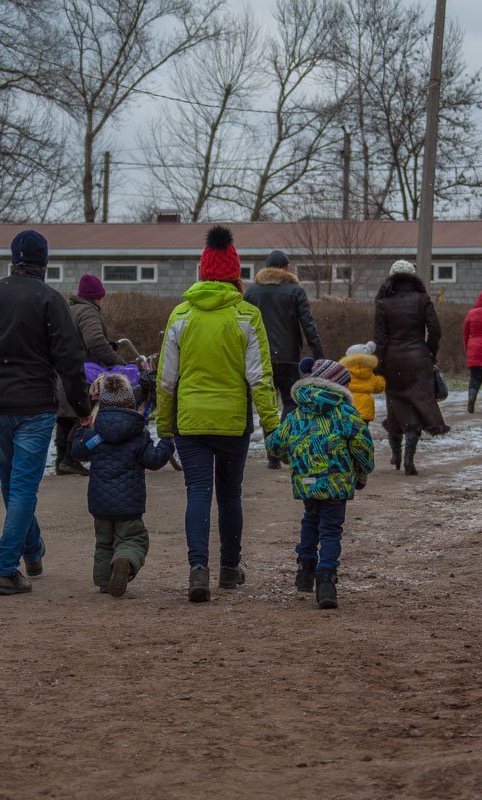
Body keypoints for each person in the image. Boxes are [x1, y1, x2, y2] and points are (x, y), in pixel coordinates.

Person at [0, 230, 91, 597]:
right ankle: (5, 568)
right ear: (44, 264)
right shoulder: (50, 300)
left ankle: (32, 551)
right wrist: (82, 408)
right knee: (23, 489)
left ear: (13, 260)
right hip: (34, 407)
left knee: (12, 485)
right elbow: (70, 359)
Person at [157, 226, 279, 603]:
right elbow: (260, 378)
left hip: (190, 421)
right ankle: (229, 567)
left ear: (203, 271)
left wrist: (164, 427)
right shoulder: (247, 316)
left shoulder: (180, 315)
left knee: (197, 492)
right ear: (235, 275)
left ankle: (198, 569)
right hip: (232, 422)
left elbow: (166, 380)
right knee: (229, 494)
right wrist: (272, 426)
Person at [266, 358, 374, 610]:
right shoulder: (345, 413)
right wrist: (363, 470)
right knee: (331, 529)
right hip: (337, 481)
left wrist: (288, 455)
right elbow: (362, 445)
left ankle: (305, 569)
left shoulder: (297, 413)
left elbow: (275, 444)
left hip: (307, 480)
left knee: (311, 519)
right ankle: (326, 579)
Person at [71, 373, 174, 597]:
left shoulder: (96, 434)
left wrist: (82, 429)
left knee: (104, 542)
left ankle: (104, 582)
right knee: (134, 539)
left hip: (100, 503)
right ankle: (124, 560)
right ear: (130, 404)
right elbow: (154, 460)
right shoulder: (138, 434)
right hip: (129, 504)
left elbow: (78, 452)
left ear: (102, 404)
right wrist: (167, 442)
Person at [243, 249, 324, 469]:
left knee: (267, 404)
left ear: (267, 267)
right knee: (290, 401)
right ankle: (282, 445)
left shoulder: (252, 292)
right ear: (286, 268)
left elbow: (243, 324)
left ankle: (272, 455)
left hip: (260, 357)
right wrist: (319, 355)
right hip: (288, 357)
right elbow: (308, 324)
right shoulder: (295, 290)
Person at [373, 260, 449, 476]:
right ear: (412, 276)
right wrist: (429, 352)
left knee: (395, 405)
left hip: (392, 360)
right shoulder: (422, 299)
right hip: (419, 360)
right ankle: (408, 458)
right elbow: (435, 330)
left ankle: (396, 454)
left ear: (392, 277)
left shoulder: (383, 302)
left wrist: (378, 363)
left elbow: (379, 338)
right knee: (417, 404)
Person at [54, 274, 123, 476]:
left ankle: (62, 462)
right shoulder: (88, 311)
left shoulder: (71, 309)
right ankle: (70, 459)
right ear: (97, 297)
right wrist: (116, 361)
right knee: (83, 412)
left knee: (66, 416)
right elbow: (94, 340)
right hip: (82, 371)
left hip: (64, 369)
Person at [339, 341, 385, 425]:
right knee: (362, 430)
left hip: (348, 405)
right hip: (365, 409)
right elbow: (379, 388)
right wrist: (380, 377)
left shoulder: (344, 373)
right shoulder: (371, 376)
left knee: (348, 429)